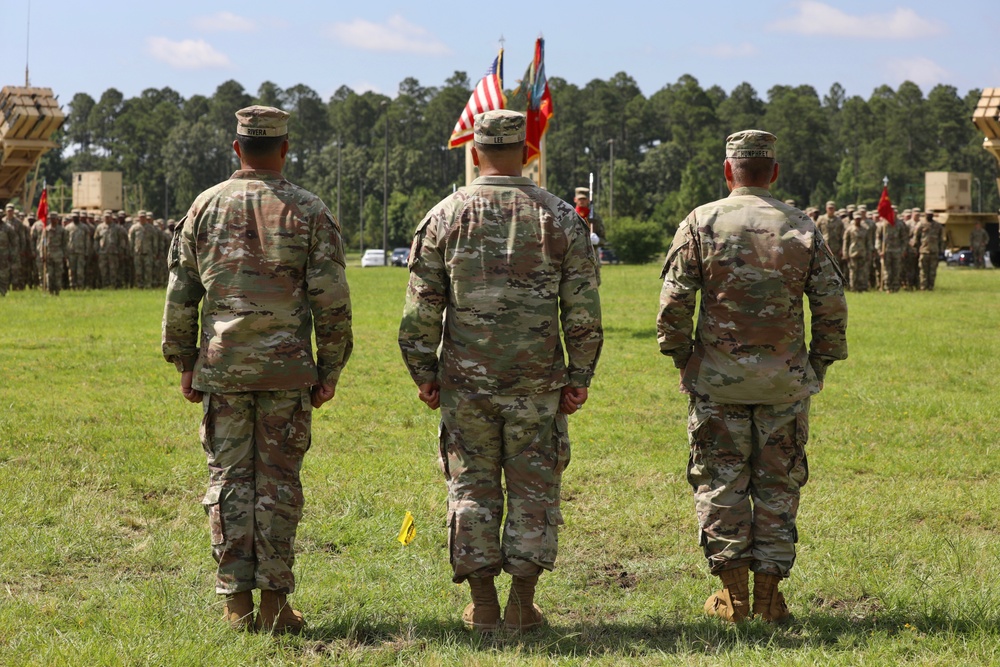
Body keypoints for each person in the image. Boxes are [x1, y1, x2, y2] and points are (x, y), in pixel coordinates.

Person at [399, 110, 603, 634]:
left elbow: (421, 310)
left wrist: (423, 370)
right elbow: (582, 311)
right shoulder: (560, 217)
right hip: (536, 384)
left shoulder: (444, 216)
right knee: (535, 489)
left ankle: (484, 605)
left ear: (474, 151)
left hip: (466, 384)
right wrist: (579, 375)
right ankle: (521, 605)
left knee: (471, 488)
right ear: (528, 151)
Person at [162, 105, 353, 634]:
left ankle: (235, 603)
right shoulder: (310, 210)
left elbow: (182, 294)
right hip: (287, 372)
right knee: (278, 485)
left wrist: (184, 360)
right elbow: (331, 300)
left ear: (236, 148)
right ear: (286, 149)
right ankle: (274, 604)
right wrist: (330, 367)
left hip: (223, 370)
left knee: (228, 481)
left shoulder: (205, 206)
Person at [657, 130, 847, 623]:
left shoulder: (702, 221)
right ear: (774, 173)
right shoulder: (802, 225)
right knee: (778, 486)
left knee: (722, 483)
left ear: (728, 171)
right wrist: (817, 365)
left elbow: (674, 304)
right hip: (784, 384)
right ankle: (767, 598)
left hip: (717, 382)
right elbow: (830, 305)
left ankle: (734, 598)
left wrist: (685, 360)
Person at [574, 186, 605, 283]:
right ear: (575, 199)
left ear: (588, 200)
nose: (582, 201)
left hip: (592, 261)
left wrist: (598, 240)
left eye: (584, 199)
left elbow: (604, 239)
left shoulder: (595, 218)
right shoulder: (570, 215)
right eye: (580, 199)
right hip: (574, 261)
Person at [911, 211, 943, 290]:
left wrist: (941, 250)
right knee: (923, 271)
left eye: (931, 215)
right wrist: (916, 248)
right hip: (924, 251)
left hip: (934, 251)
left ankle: (931, 287)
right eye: (928, 215)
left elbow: (941, 239)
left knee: (932, 271)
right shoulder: (921, 225)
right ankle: (923, 287)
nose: (930, 216)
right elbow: (916, 238)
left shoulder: (938, 226)